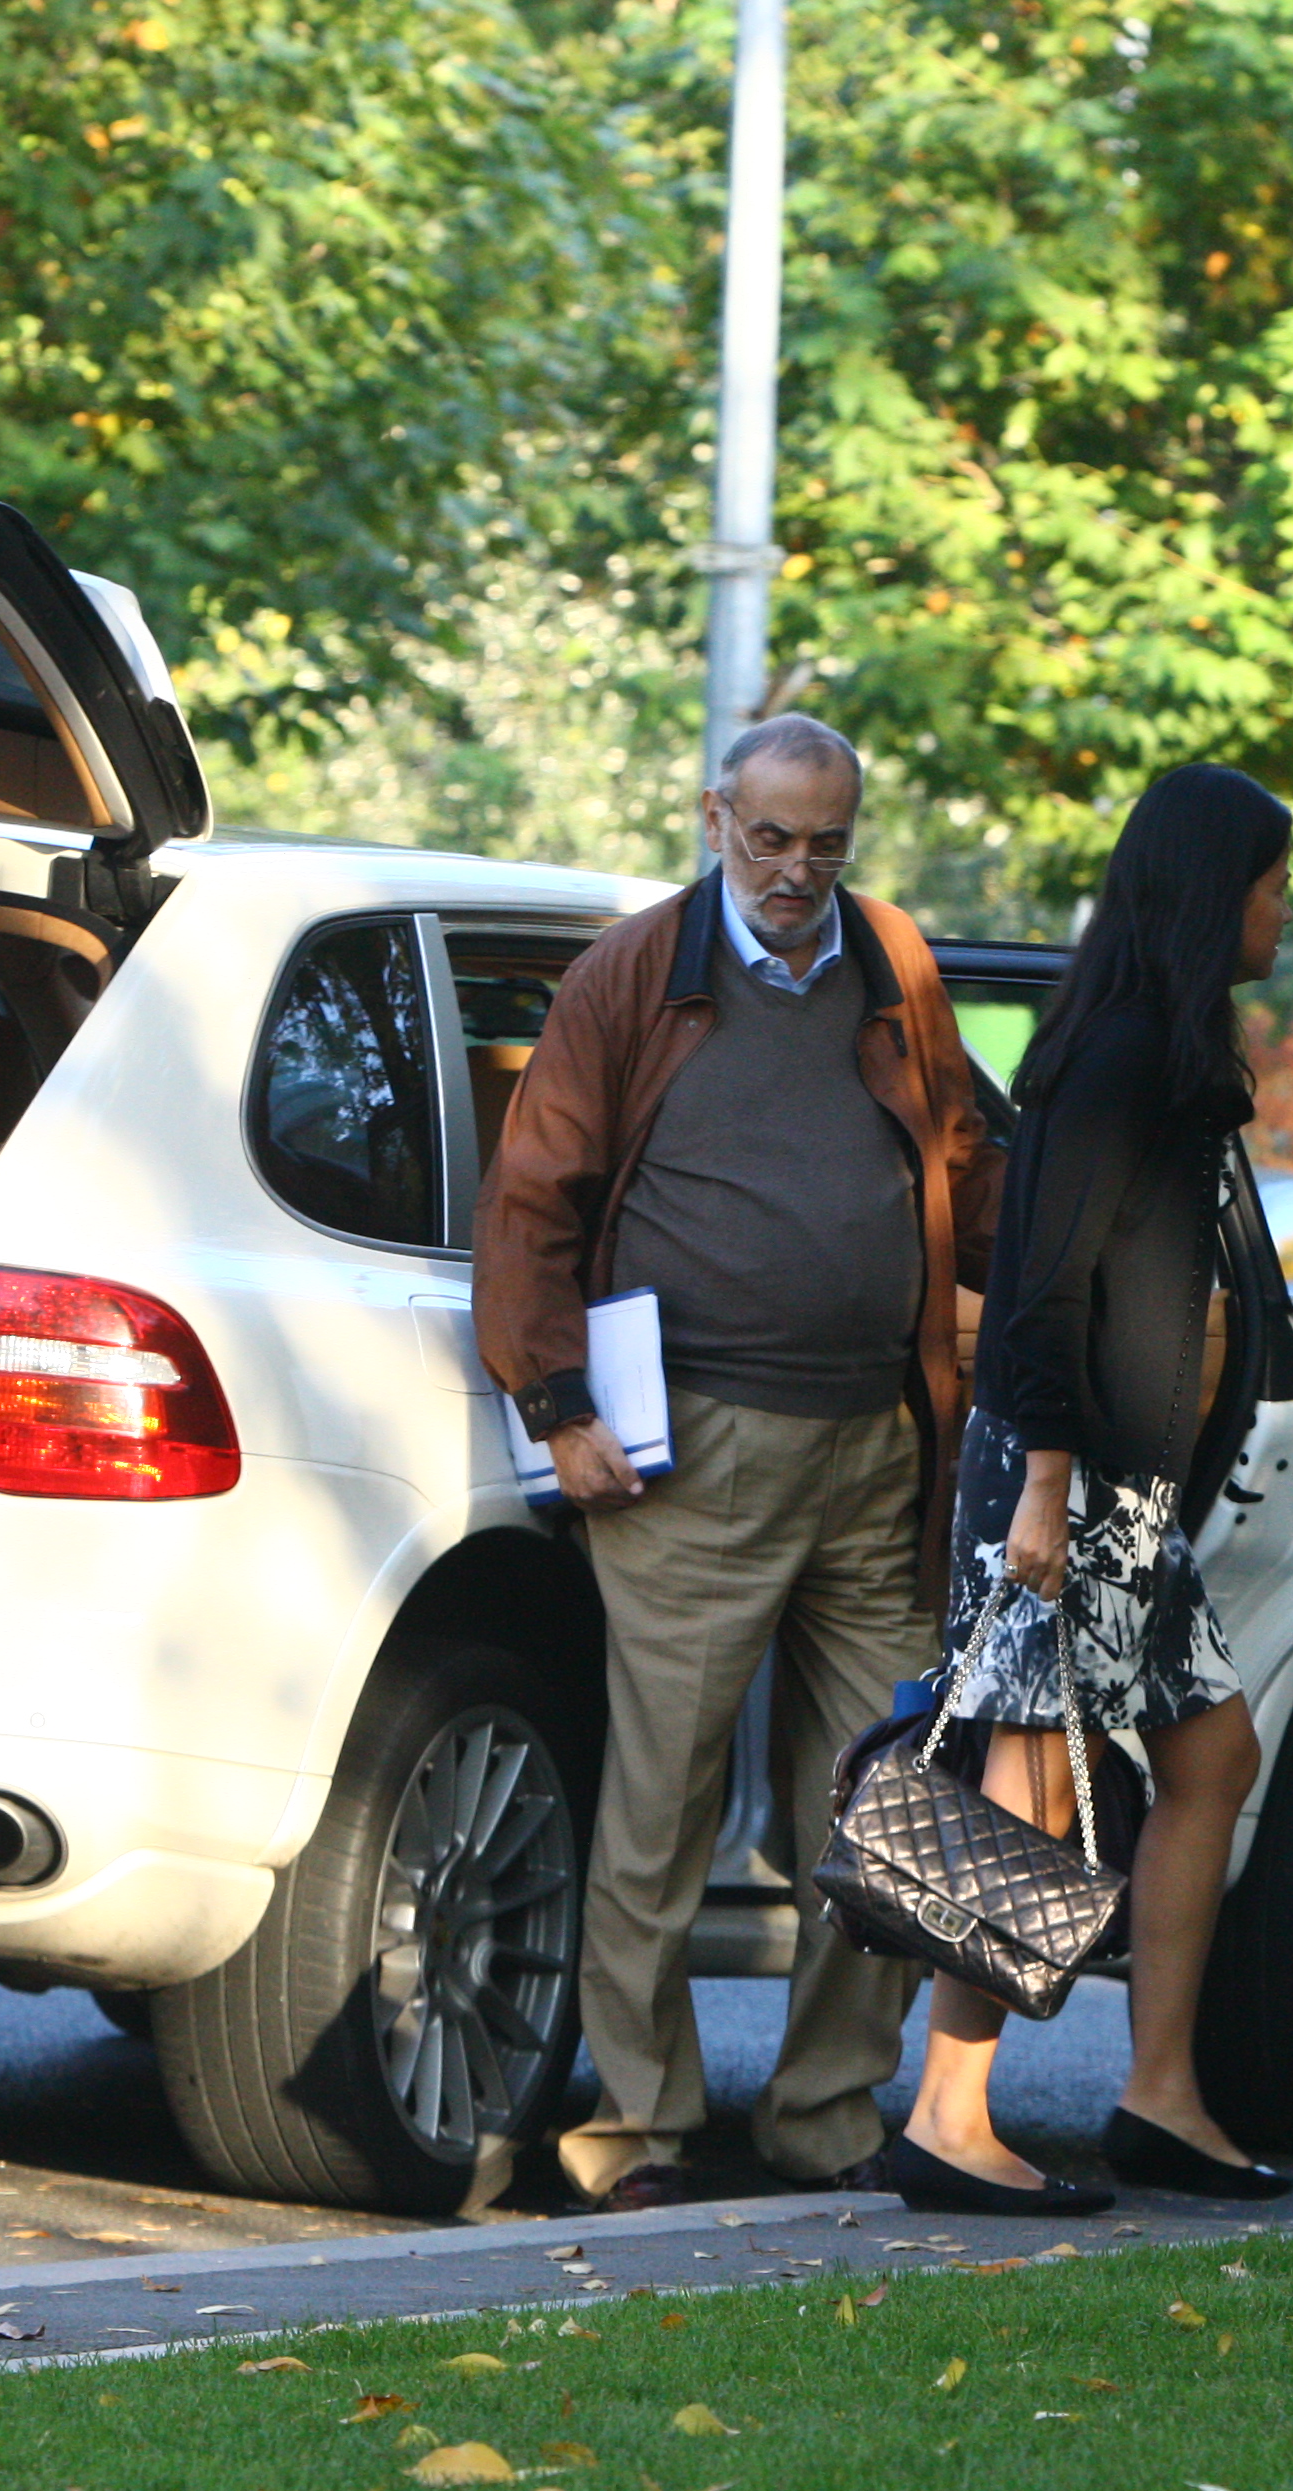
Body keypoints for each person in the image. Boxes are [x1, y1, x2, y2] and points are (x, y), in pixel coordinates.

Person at [476, 712, 1001, 2213]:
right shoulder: (636, 972)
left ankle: (829, 2114)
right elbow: (535, 1198)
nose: (794, 870)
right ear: (716, 819)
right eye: (768, 838)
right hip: (692, 1450)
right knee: (663, 1805)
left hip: (879, 1451)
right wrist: (558, 1402)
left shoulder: (890, 958)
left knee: (880, 1803)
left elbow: (963, 1152)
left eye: (825, 843)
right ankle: (638, 2130)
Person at [879, 762, 1293, 2218]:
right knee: (1029, 1783)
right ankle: (948, 2112)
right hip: (1061, 1476)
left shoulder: (1165, 1050)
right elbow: (1044, 1293)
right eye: (1270, 883)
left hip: (1121, 1488)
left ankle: (1161, 2095)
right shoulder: (1116, 1054)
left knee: (1210, 1757)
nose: (1286, 911)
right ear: (1211, 894)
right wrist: (1046, 1491)